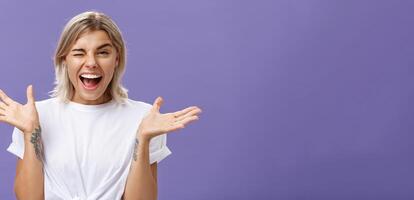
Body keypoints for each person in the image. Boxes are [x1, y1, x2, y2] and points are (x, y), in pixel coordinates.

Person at [0, 11, 201, 200]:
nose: (91, 63)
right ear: (64, 59)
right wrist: (30, 132)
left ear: (116, 59)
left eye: (103, 52)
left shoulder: (145, 118)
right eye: (79, 53)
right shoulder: (34, 116)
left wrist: (144, 138)